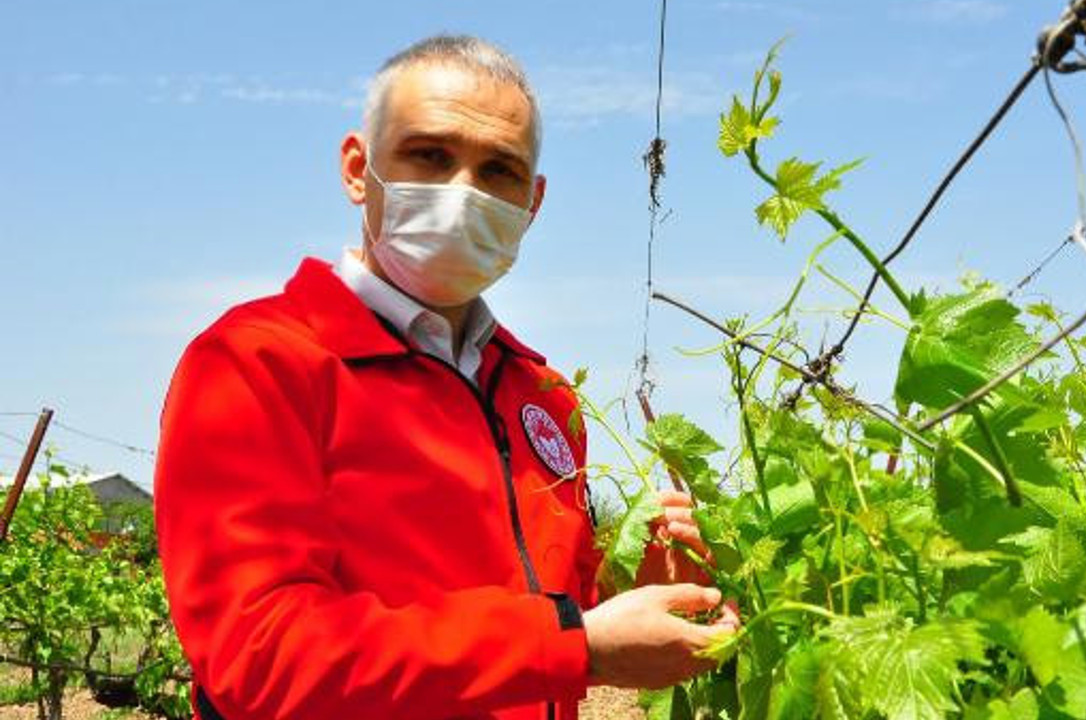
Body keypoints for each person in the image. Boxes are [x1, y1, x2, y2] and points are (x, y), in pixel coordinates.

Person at [153, 35, 738, 720]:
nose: (464, 191)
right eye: (430, 155)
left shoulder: (541, 395)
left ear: (533, 202)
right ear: (356, 168)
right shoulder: (258, 364)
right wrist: (578, 644)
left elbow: (561, 595)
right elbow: (262, 655)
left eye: (499, 170)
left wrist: (651, 577)